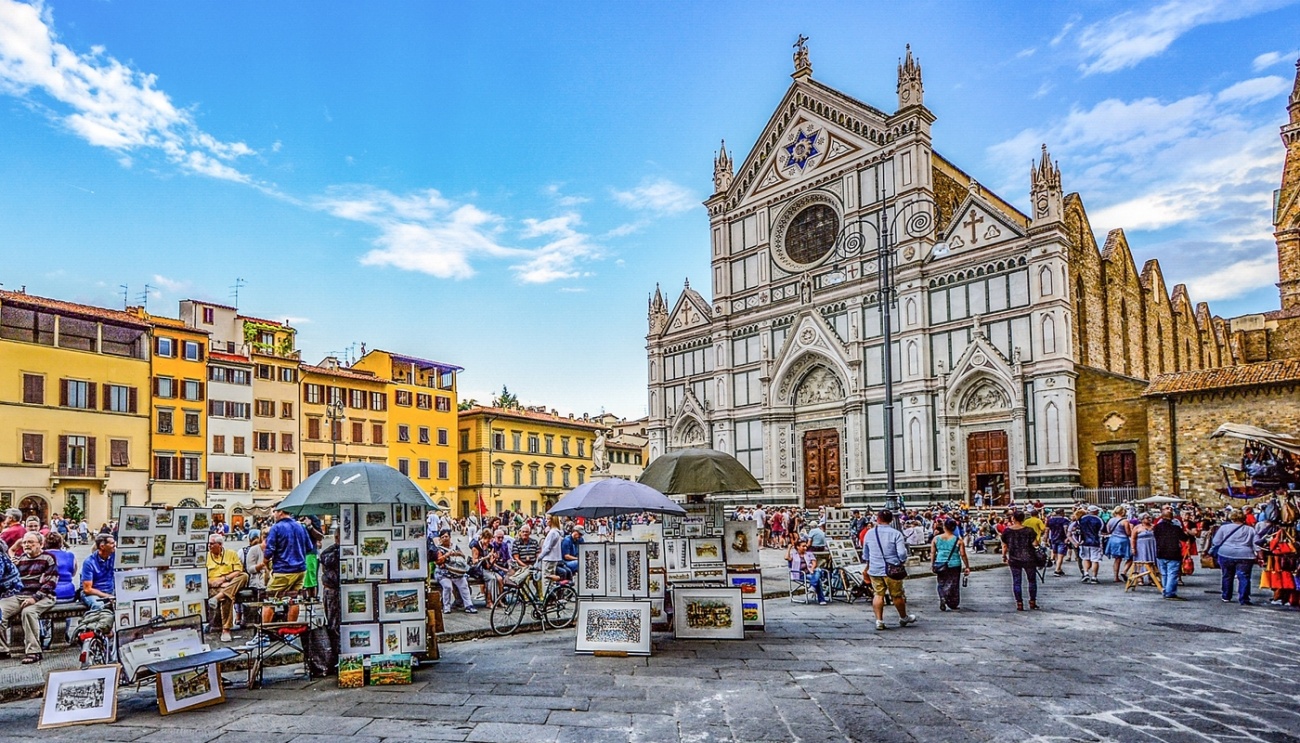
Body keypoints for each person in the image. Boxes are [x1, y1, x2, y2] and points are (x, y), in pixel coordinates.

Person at [0, 533, 58, 663]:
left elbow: (50, 583)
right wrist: (13, 568)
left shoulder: (49, 558)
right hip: (20, 594)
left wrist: (35, 598)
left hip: (43, 595)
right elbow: (12, 581)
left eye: (31, 542)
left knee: (28, 612)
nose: (27, 545)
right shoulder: (20, 558)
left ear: (40, 544)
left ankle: (34, 651)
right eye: (25, 542)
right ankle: (2, 649)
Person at [258, 505, 316, 626]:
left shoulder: (276, 527)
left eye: (275, 512)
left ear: (281, 512)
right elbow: (310, 547)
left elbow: (269, 550)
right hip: (300, 569)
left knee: (270, 600)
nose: (273, 514)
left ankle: (264, 633)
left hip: (283, 570)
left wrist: (265, 561)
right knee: (294, 599)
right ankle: (291, 630)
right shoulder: (300, 526)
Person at [861, 510, 917, 631]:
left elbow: (865, 554)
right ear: (891, 520)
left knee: (878, 594)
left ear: (878, 519)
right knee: (897, 595)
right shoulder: (895, 533)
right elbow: (902, 553)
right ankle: (903, 617)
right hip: (892, 569)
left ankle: (879, 621)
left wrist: (869, 565)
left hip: (875, 569)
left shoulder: (870, 533)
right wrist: (900, 561)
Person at [1210, 510, 1260, 606]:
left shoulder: (1224, 528)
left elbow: (1216, 542)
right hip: (1245, 555)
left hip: (1226, 553)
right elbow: (1256, 544)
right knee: (1244, 576)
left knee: (1227, 575)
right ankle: (1244, 598)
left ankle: (1226, 596)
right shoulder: (1250, 530)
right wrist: (1259, 555)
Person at [206, 533, 249, 642]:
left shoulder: (231, 554)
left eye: (211, 544)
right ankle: (226, 629)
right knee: (227, 596)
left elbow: (238, 571)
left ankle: (218, 597)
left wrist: (224, 579)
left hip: (228, 582)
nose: (209, 546)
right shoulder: (206, 556)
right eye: (208, 544)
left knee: (244, 576)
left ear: (219, 544)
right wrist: (217, 583)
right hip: (214, 585)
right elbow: (202, 576)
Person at [1001, 510, 1040, 611]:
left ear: (1013, 518)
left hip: (1014, 558)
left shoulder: (1007, 531)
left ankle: (1019, 603)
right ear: (1023, 519)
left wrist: (1004, 556)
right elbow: (1035, 544)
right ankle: (1032, 602)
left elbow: (1004, 545)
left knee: (1016, 581)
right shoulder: (1029, 530)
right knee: (1031, 581)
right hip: (1029, 558)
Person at [930, 518, 969, 611]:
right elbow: (963, 554)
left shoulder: (936, 539)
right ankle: (953, 603)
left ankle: (942, 596)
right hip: (954, 564)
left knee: (941, 582)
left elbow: (932, 552)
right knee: (954, 583)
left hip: (940, 563)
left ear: (944, 527)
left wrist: (932, 564)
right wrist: (967, 566)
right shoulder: (958, 540)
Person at [432, 531, 475, 614]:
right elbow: (438, 561)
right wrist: (447, 555)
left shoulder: (455, 546)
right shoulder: (438, 549)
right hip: (443, 573)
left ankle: (468, 605)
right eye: (443, 537)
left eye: (446, 536)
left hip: (457, 572)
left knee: (464, 585)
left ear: (449, 537)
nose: (445, 538)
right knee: (447, 587)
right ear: (440, 538)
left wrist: (456, 553)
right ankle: (446, 607)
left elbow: (463, 556)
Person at [1153, 507, 1189, 600]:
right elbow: (1184, 538)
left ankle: (1165, 590)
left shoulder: (1157, 527)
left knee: (1164, 573)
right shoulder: (1175, 528)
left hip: (1161, 551)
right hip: (1173, 552)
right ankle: (1170, 593)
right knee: (1172, 573)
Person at [80, 534, 116, 611]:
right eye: (112, 543)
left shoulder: (114, 556)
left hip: (110, 591)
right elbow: (87, 589)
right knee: (98, 605)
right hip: (93, 593)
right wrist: (107, 596)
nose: (115, 545)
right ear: (102, 546)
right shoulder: (89, 562)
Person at [787, 539, 828, 605]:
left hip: (810, 573)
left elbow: (814, 563)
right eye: (803, 546)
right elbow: (787, 558)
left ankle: (813, 586)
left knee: (818, 570)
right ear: (798, 547)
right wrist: (789, 548)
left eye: (806, 546)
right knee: (818, 579)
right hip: (800, 574)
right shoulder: (794, 554)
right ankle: (820, 598)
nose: (805, 548)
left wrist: (812, 569)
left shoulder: (809, 554)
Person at [469, 530, 502, 609]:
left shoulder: (490, 546)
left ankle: (497, 600)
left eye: (490, 540)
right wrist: (485, 558)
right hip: (479, 569)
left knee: (499, 578)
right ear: (483, 537)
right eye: (487, 539)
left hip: (488, 568)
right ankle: (489, 601)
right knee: (491, 579)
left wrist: (494, 558)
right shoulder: (476, 546)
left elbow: (490, 563)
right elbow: (474, 561)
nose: (488, 542)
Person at [1102, 506, 1133, 582]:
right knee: (1131, 557)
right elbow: (1128, 533)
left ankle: (1116, 577)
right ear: (1122, 512)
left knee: (1117, 559)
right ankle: (1124, 571)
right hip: (1123, 540)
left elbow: (1108, 531)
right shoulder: (1125, 521)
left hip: (1113, 540)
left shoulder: (1111, 520)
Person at [1129, 513, 1158, 587]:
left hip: (1152, 546)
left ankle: (1152, 578)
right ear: (1142, 519)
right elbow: (1133, 538)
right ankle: (1140, 578)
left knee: (1152, 562)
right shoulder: (1137, 527)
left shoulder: (1154, 527)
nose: (1149, 519)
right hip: (1141, 547)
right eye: (1147, 518)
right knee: (1140, 561)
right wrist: (1133, 548)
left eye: (1149, 517)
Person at [1078, 505, 1105, 584]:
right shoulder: (1099, 519)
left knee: (1085, 558)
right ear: (1095, 511)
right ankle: (1094, 577)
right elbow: (1103, 530)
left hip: (1084, 541)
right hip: (1095, 542)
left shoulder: (1082, 519)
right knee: (1095, 560)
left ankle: (1086, 573)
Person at [538, 516, 564, 582]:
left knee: (546, 579)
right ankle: (553, 591)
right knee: (551, 579)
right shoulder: (557, 532)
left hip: (548, 558)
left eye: (548, 519)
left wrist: (540, 556)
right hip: (555, 558)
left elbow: (548, 547)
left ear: (552, 521)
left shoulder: (552, 532)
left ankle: (546, 592)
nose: (546, 521)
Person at [1046, 508, 1071, 576]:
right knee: (1061, 556)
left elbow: (1047, 530)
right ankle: (1057, 570)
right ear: (1062, 513)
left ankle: (1059, 569)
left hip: (1053, 539)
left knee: (1056, 554)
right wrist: (1068, 537)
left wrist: (1046, 538)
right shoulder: (1064, 520)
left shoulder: (1050, 520)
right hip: (1062, 539)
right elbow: (1066, 529)